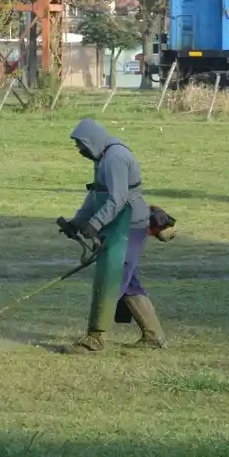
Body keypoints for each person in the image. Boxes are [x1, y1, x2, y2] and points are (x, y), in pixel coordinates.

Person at [55, 117, 165, 353]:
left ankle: (95, 339)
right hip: (120, 225)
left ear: (91, 140)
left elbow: (118, 199)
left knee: (111, 278)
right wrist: (77, 222)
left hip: (129, 226)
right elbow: (96, 195)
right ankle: (154, 336)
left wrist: (95, 223)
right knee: (127, 281)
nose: (79, 149)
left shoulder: (115, 158)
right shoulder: (103, 158)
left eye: (80, 144)